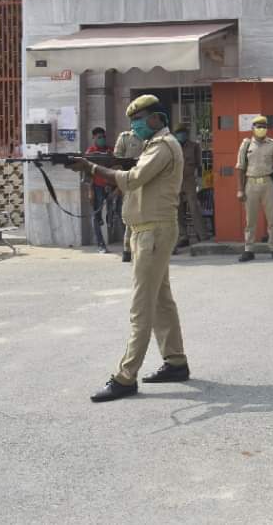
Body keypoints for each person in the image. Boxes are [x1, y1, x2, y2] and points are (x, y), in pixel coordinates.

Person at [68, 94, 189, 402]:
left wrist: (92, 169)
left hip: (153, 232)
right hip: (148, 230)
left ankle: (125, 377)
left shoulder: (163, 146)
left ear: (155, 118)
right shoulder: (154, 146)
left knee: (141, 306)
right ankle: (175, 361)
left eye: (139, 119)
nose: (135, 124)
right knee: (161, 300)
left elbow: (133, 179)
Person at [236, 115, 273, 262]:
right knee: (250, 220)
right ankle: (249, 249)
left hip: (268, 183)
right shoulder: (246, 145)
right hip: (250, 184)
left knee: (272, 219)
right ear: (252, 128)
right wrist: (240, 189)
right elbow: (240, 168)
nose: (261, 129)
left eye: (263, 126)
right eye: (258, 126)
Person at [173, 123, 209, 249]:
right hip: (175, 181)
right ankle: (183, 237)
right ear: (175, 134)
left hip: (189, 180)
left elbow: (199, 165)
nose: (181, 135)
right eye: (179, 133)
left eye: (183, 132)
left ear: (187, 134)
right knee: (178, 210)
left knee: (194, 207)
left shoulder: (194, 146)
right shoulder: (172, 146)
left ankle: (202, 235)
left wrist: (200, 181)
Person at [113, 126, 144, 262]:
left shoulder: (151, 137)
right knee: (131, 214)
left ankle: (143, 247)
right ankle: (127, 249)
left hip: (147, 179)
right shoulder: (125, 137)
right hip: (130, 181)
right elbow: (116, 159)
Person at [84, 127, 115, 254]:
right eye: (99, 137)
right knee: (96, 216)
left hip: (111, 187)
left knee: (115, 213)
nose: (102, 140)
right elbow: (87, 174)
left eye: (103, 137)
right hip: (97, 187)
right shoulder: (90, 152)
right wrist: (90, 191)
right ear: (94, 138)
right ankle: (100, 244)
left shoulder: (110, 151)